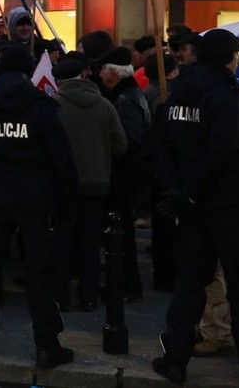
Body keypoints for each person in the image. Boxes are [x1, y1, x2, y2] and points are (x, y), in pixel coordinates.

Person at [152, 28, 239, 387]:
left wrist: (179, 192)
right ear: (229, 57)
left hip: (191, 208)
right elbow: (223, 151)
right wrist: (191, 192)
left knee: (190, 284)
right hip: (226, 203)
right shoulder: (223, 94)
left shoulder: (177, 94)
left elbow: (162, 145)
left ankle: (175, 360)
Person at [0, 44, 77, 369]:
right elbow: (61, 160)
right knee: (39, 273)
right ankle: (46, 345)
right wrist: (65, 203)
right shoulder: (41, 106)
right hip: (33, 199)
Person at [51, 54, 127, 311]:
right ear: (84, 75)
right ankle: (89, 296)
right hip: (96, 183)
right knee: (91, 243)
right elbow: (120, 144)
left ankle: (60, 296)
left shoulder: (53, 106)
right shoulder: (104, 105)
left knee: (62, 243)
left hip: (63, 185)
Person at [100, 45, 151, 302]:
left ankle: (126, 286)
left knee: (121, 234)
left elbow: (129, 142)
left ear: (112, 73)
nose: (100, 76)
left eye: (103, 70)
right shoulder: (131, 94)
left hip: (124, 176)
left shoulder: (124, 99)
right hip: (129, 175)